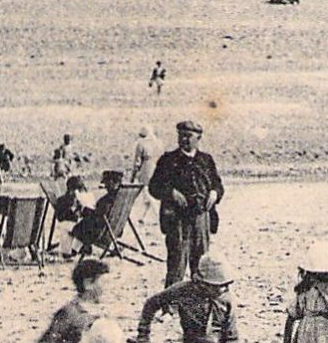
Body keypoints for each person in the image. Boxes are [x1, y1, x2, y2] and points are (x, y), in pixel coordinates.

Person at [147, 120, 224, 287]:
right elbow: (153, 187)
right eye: (181, 136)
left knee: (202, 264)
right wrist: (170, 192)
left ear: (198, 138)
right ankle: (170, 306)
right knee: (176, 264)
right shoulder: (168, 160)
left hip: (201, 219)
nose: (184, 140)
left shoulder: (206, 160)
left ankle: (199, 304)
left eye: (189, 136)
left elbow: (218, 184)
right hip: (177, 220)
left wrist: (214, 193)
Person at [70, 171, 131, 257]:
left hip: (102, 232)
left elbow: (100, 214)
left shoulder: (107, 199)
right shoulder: (121, 197)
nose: (105, 186)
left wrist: (85, 210)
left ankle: (76, 250)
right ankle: (84, 248)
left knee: (81, 226)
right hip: (116, 229)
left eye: (106, 183)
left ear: (112, 182)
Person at [130, 125, 163, 222]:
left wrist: (134, 174)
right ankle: (143, 217)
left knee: (148, 193)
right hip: (158, 168)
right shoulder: (159, 143)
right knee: (150, 194)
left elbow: (137, 162)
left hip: (146, 170)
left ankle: (158, 216)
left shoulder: (141, 144)